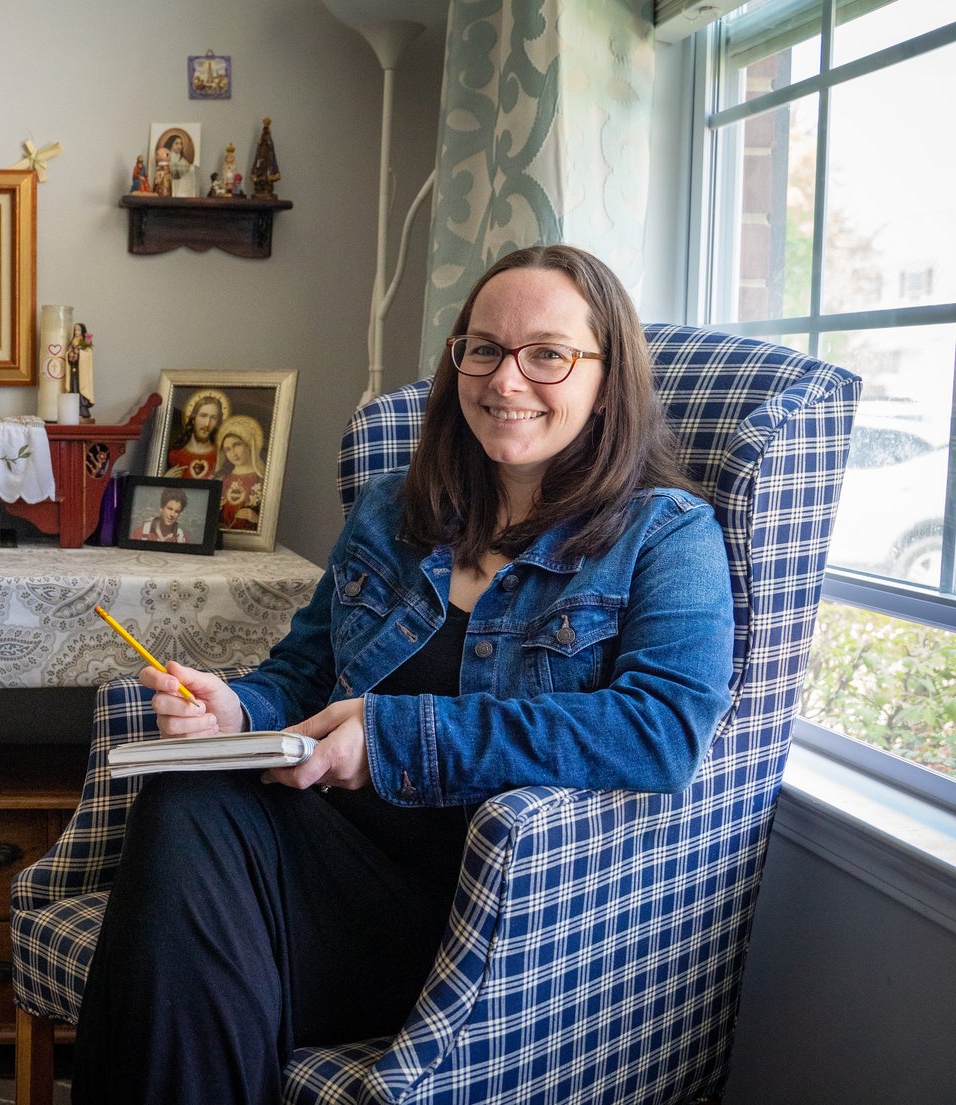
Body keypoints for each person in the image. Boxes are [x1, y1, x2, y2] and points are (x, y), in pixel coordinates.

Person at [70, 244, 737, 1104]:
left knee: (173, 941)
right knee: (187, 796)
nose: (506, 380)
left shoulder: (667, 536)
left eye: (548, 354)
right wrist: (235, 709)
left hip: (483, 920)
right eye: (484, 348)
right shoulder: (395, 511)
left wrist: (392, 736)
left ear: (608, 379)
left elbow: (661, 732)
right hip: (332, 860)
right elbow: (303, 673)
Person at [215, 413, 265, 531]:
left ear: (248, 445)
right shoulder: (222, 479)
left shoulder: (262, 479)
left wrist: (257, 519)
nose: (233, 453)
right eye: (227, 449)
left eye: (237, 445)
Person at [164, 390, 229, 478]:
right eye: (203, 416)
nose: (207, 424)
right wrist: (166, 479)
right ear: (193, 419)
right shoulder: (174, 455)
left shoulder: (221, 458)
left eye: (213, 418)